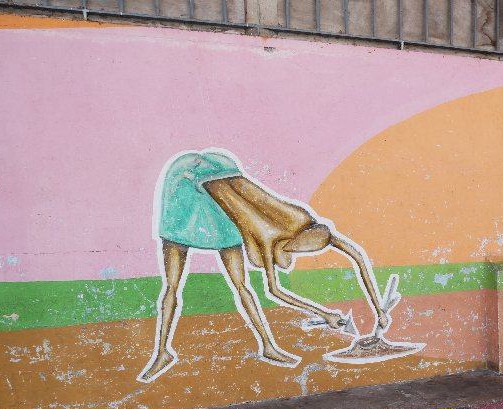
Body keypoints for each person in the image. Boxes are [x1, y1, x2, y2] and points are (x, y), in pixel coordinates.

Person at [139, 150, 389, 383]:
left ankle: (268, 347)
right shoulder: (270, 239)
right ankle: (162, 352)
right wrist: (325, 314)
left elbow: (357, 256)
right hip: (185, 183)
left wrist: (380, 311)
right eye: (291, 254)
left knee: (242, 287)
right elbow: (275, 291)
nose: (289, 262)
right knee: (173, 286)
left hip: (221, 194)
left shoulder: (308, 225)